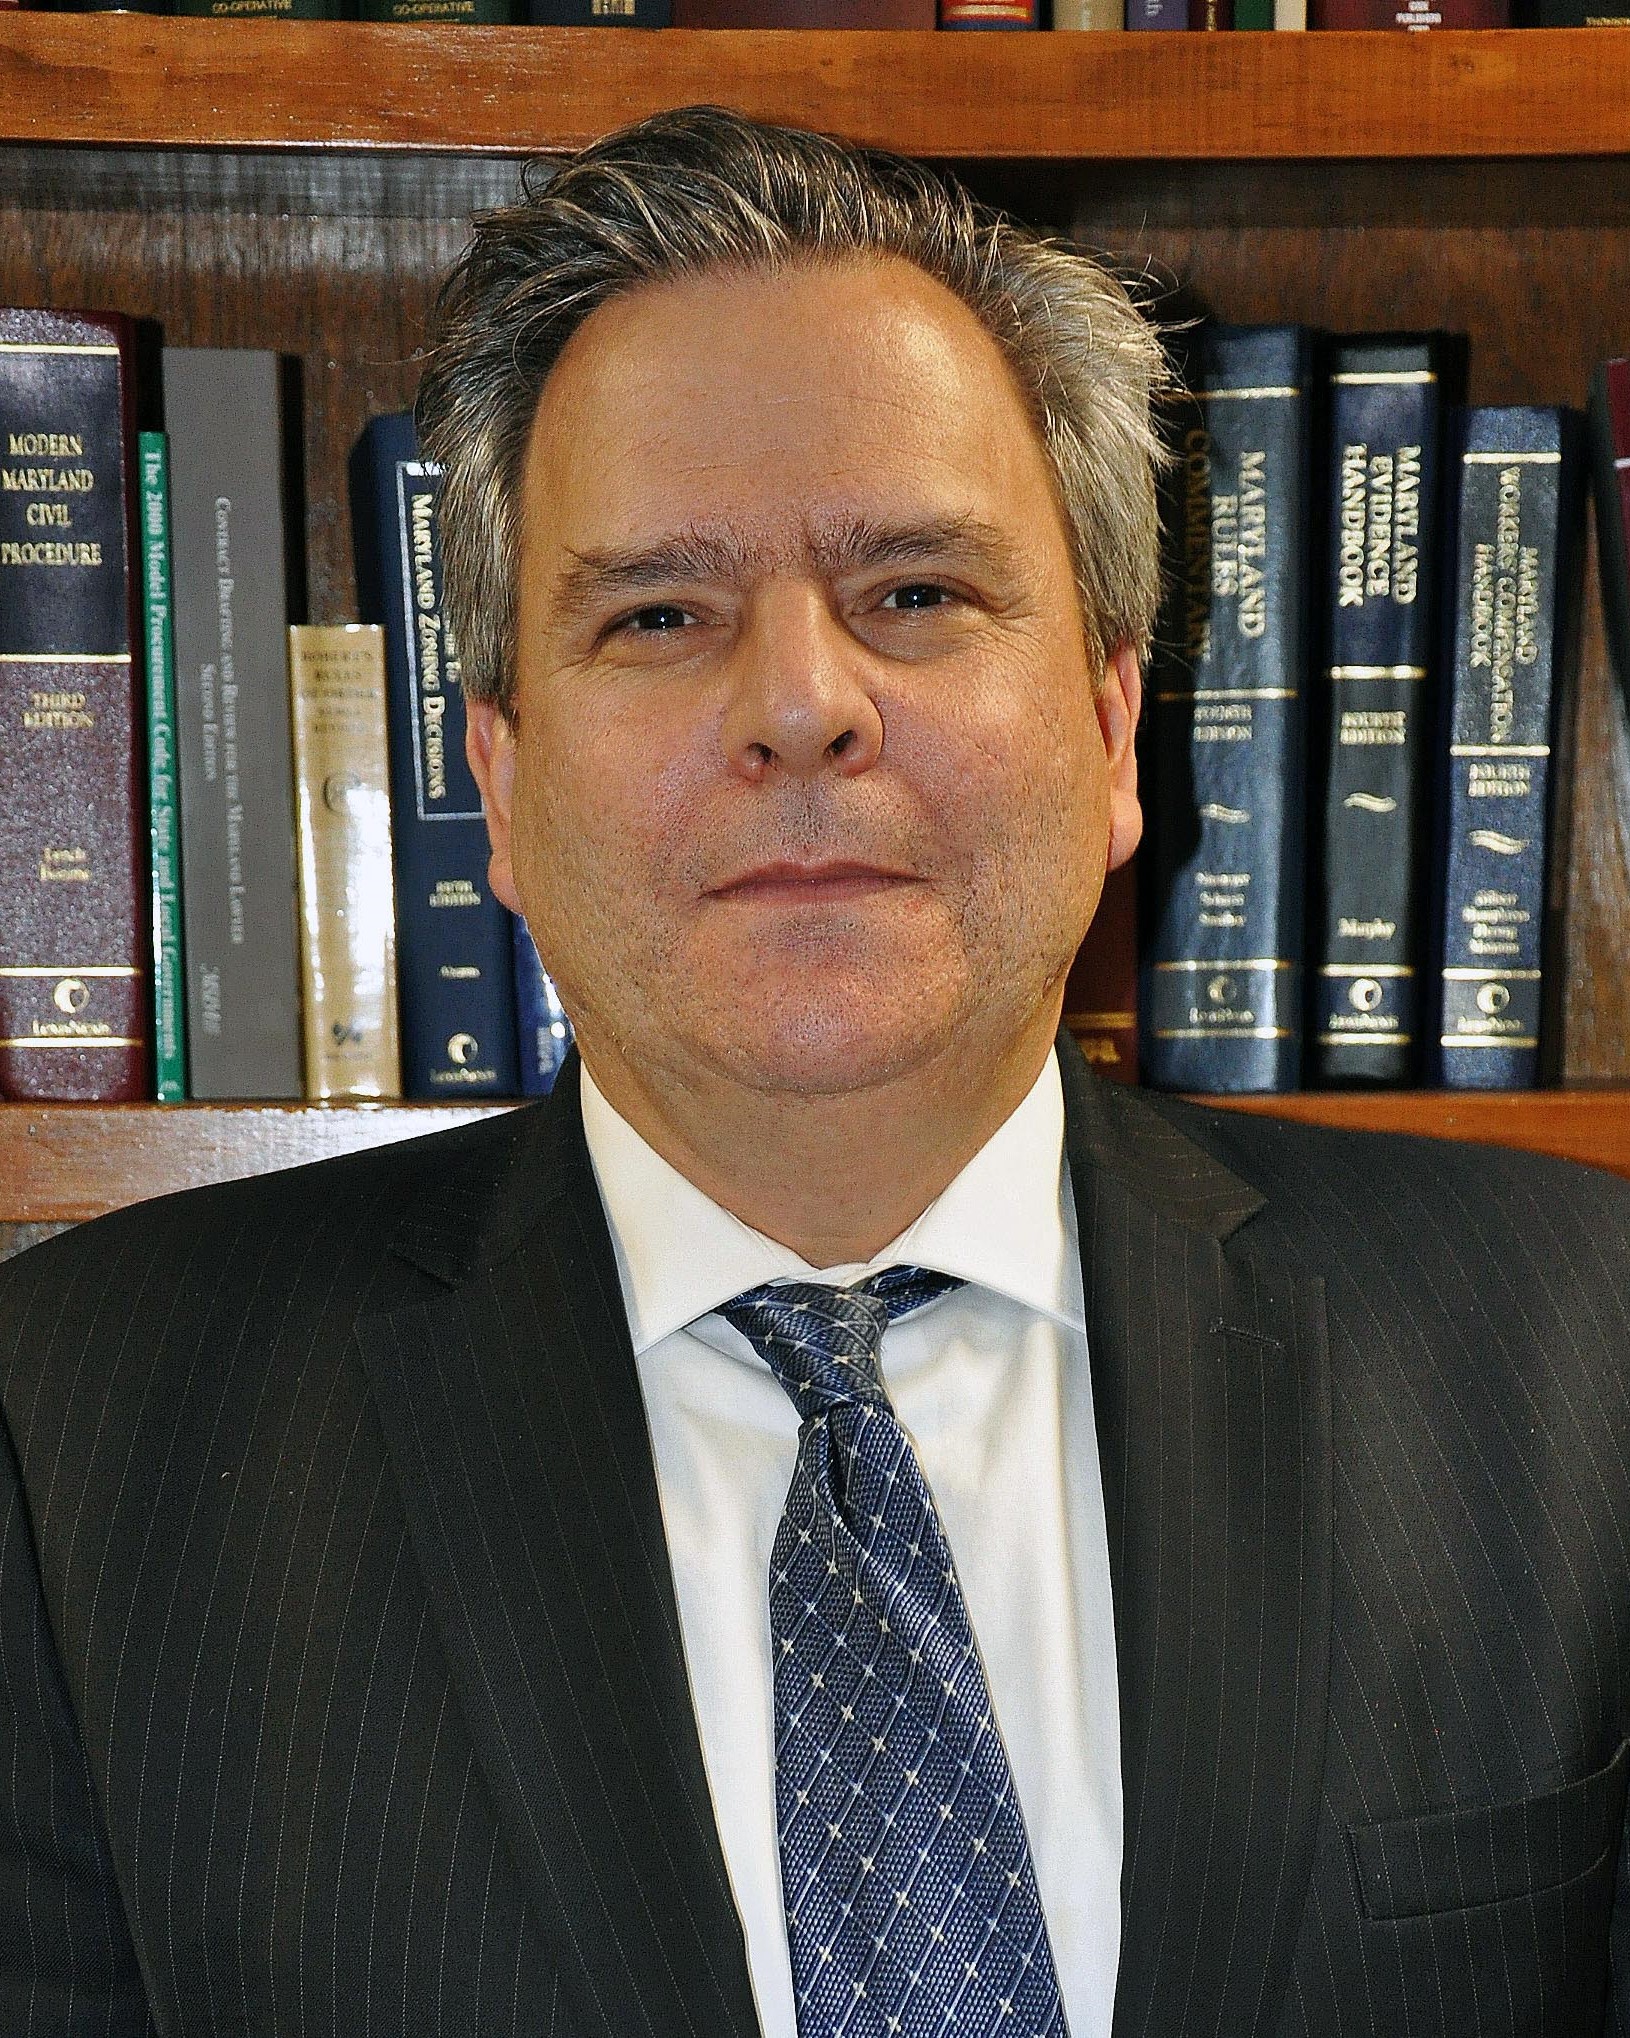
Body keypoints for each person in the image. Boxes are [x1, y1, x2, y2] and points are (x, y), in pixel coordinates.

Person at [2, 105, 1627, 2038]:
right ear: (499, 786)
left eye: (916, 592)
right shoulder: (77, 1431)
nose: (798, 704)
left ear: (1116, 731)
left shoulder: (1579, 1346)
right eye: (659, 613)